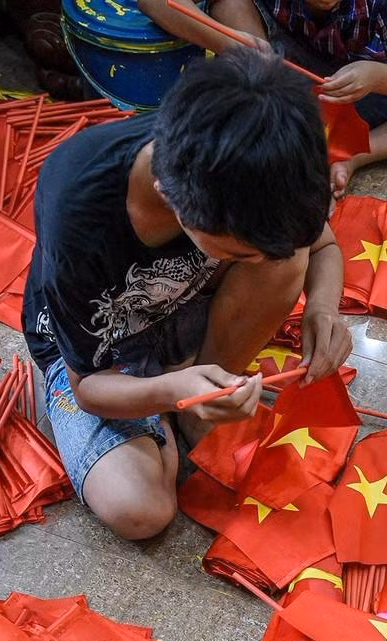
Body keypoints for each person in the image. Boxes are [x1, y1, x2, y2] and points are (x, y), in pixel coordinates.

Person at [20, 49, 355, 541]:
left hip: (180, 309)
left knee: (285, 260)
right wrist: (171, 393)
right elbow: (89, 386)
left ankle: (200, 401)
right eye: (237, 253)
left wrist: (323, 308)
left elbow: (320, 247)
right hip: (99, 353)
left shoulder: (263, 161)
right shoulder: (80, 210)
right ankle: (184, 392)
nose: (252, 263)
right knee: (141, 510)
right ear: (170, 197)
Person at [143, 0, 387, 198]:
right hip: (275, 75)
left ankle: (350, 155)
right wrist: (237, 45)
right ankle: (275, 126)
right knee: (230, 3)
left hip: (351, 84)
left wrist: (375, 76)